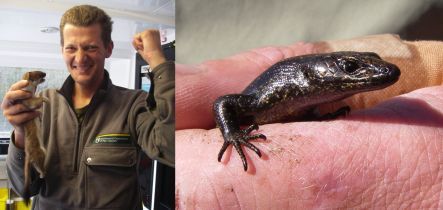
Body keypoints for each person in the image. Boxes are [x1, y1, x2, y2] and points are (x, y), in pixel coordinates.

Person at [175, 34, 443, 208]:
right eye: (350, 67)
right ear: (307, 75)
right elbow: (223, 103)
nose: (380, 69)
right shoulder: (260, 101)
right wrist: (232, 135)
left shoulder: (309, 97)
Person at [1, 5, 174, 209]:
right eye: (71, 48)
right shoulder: (42, 106)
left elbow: (170, 148)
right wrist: (20, 134)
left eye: (90, 47)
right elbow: (25, 188)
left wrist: (158, 61)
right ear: (62, 50)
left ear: (108, 48)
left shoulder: (134, 104)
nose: (80, 58)